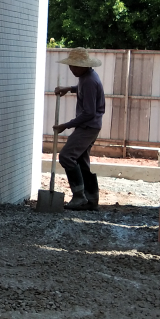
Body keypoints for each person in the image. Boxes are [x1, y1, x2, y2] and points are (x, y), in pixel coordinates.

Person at [53, 48, 106, 211]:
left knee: (66, 156)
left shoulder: (89, 80)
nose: (72, 69)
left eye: (75, 66)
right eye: (70, 66)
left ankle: (79, 197)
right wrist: (69, 88)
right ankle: (91, 198)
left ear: (84, 66)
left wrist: (66, 125)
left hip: (88, 126)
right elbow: (83, 88)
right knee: (81, 160)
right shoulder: (87, 77)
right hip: (92, 126)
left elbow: (89, 112)